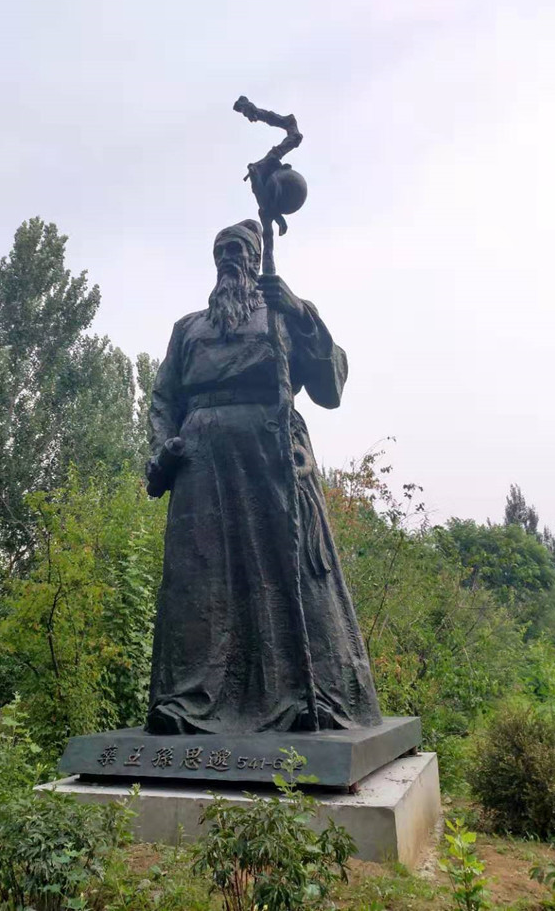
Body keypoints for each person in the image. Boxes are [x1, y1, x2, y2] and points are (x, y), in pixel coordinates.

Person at [145, 219, 381, 734]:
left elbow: (330, 388)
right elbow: (163, 398)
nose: (230, 258)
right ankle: (189, 700)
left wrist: (299, 312)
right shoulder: (188, 329)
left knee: (286, 567)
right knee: (199, 577)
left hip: (270, 452)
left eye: (239, 250)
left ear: (256, 259)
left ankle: (308, 695)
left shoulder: (283, 315)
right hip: (201, 460)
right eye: (222, 252)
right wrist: (163, 448)